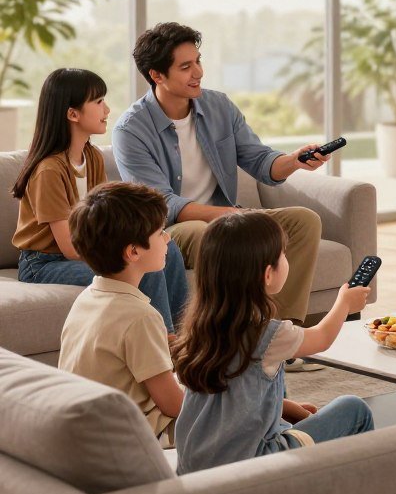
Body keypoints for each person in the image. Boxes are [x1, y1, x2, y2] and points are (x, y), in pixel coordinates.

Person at [112, 22, 327, 331]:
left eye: (198, 61)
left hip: (226, 216)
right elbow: (162, 203)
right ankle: (226, 338)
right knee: (207, 234)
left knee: (304, 221)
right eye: (185, 66)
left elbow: (258, 158)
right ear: (157, 75)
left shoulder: (219, 107)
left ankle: (282, 335)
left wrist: (293, 161)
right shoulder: (130, 130)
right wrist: (228, 216)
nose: (198, 72)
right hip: (174, 228)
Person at [172, 212, 373, 474]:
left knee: (277, 387)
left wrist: (286, 407)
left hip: (193, 468)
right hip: (253, 466)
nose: (287, 260)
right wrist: (344, 303)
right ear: (268, 274)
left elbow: (231, 398)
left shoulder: (199, 327)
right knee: (354, 409)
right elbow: (322, 338)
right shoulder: (268, 334)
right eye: (284, 255)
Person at [12, 68, 188, 334]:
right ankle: (165, 346)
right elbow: (70, 248)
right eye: (98, 102)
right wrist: (128, 253)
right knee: (143, 265)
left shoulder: (92, 157)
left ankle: (185, 341)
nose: (107, 109)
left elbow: (107, 218)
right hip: (44, 264)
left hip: (81, 253)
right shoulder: (49, 170)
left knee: (168, 251)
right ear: (73, 114)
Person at [58, 182, 184, 441]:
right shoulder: (141, 317)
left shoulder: (87, 298)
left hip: (89, 428)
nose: (168, 238)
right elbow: (174, 406)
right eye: (161, 232)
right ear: (133, 251)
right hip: (140, 434)